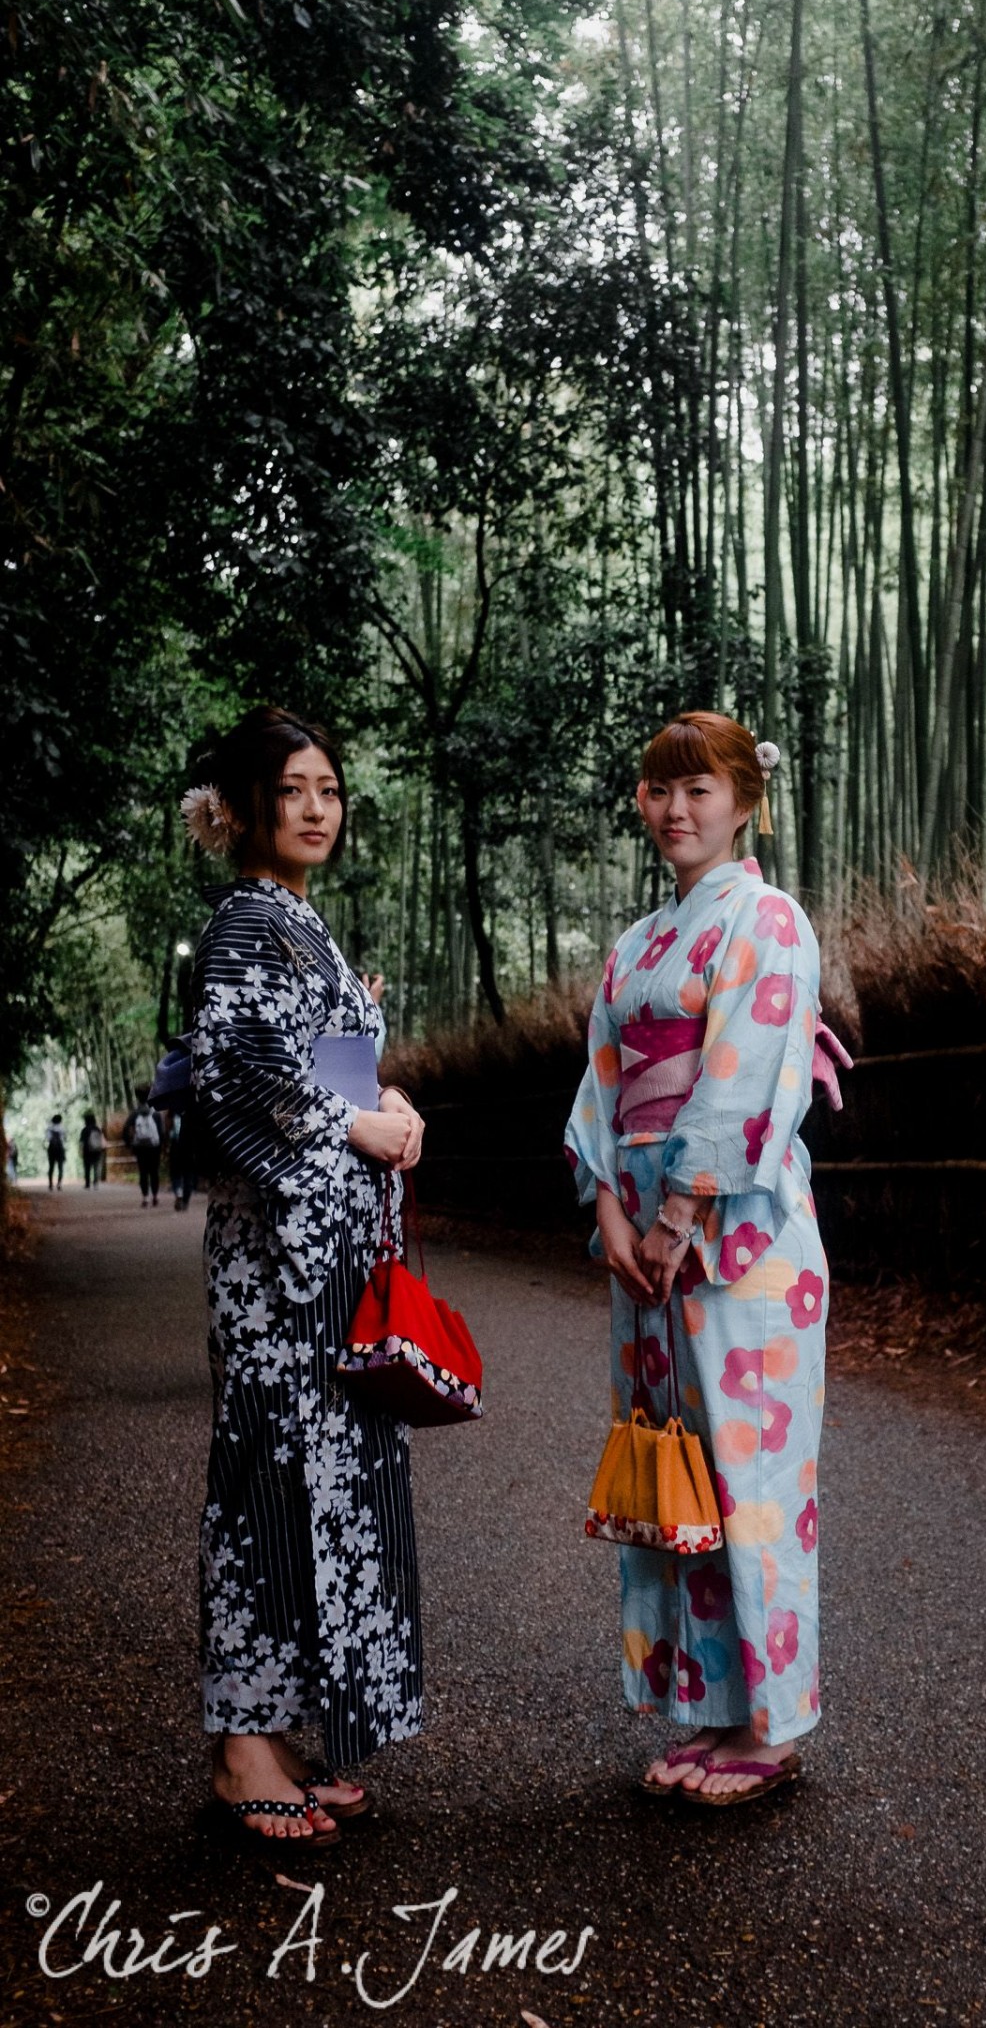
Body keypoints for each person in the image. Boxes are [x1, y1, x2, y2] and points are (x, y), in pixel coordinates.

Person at [565, 712, 832, 1807]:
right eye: (660, 791)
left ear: (744, 802)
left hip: (738, 1243)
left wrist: (677, 1215)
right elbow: (598, 1088)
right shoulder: (639, 943)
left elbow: (739, 1082)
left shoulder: (766, 920)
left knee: (750, 1478)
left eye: (701, 790)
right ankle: (713, 1712)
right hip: (648, 1241)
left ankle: (771, 1726)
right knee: (682, 1471)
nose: (678, 810)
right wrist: (612, 1215)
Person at [183, 705, 426, 1849]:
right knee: (269, 1481)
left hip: (326, 1257)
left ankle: (281, 1734)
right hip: (277, 1269)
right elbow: (233, 1081)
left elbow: (328, 1072)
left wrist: (391, 1108)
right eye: (294, 789)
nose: (319, 807)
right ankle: (243, 1746)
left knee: (322, 1479)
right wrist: (355, 1126)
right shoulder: (246, 923)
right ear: (245, 809)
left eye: (331, 786)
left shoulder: (300, 925)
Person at [123, 1085, 163, 1206]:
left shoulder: (135, 1113)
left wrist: (129, 1143)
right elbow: (161, 1132)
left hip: (140, 1146)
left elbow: (125, 1129)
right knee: (154, 1171)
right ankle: (155, 1196)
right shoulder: (155, 1113)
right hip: (154, 1147)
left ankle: (145, 1197)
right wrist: (162, 1145)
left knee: (143, 1172)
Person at [79, 1111, 105, 1188]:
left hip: (87, 1150)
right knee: (96, 1166)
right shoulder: (97, 1129)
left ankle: (87, 1183)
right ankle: (95, 1182)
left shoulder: (84, 1130)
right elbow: (101, 1139)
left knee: (87, 1167)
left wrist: (81, 1151)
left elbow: (82, 1142)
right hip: (97, 1150)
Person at [45, 1115, 65, 1190]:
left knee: (51, 1167)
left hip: (51, 1149)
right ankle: (59, 1184)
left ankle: (50, 1184)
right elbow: (64, 1139)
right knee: (60, 1167)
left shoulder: (49, 1128)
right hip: (60, 1149)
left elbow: (48, 1138)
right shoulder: (62, 1128)